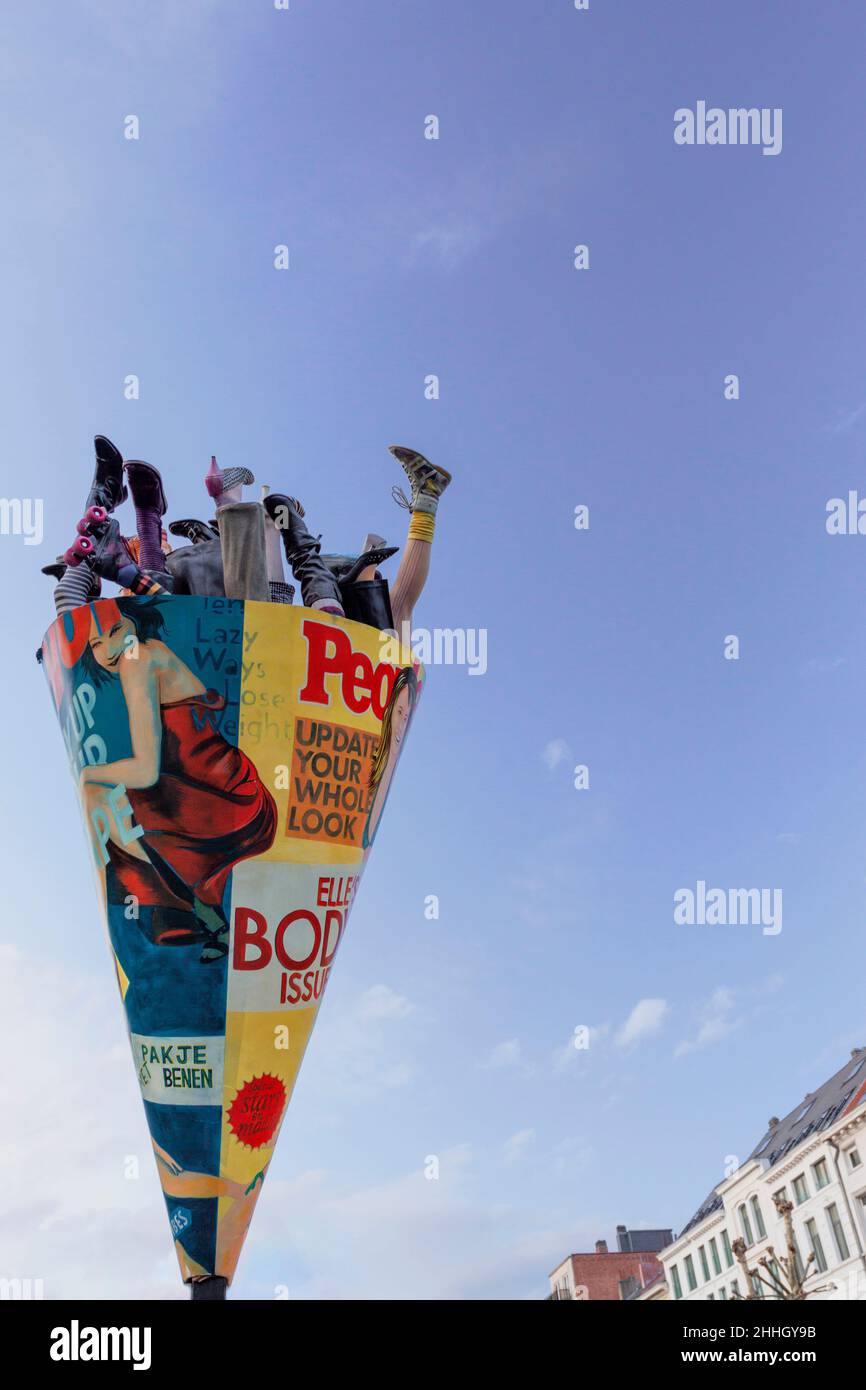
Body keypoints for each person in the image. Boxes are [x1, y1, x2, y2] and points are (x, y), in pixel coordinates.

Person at [76, 596, 278, 962]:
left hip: (216, 801)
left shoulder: (136, 659)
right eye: (96, 642)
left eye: (116, 631)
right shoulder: (151, 651)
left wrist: (87, 773)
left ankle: (179, 910)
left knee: (95, 790)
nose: (108, 648)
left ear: (134, 625)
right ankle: (186, 910)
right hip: (230, 788)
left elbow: (145, 770)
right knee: (109, 796)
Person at [362, 664, 420, 850]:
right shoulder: (367, 775)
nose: (402, 724)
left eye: (406, 717)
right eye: (399, 712)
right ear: (389, 712)